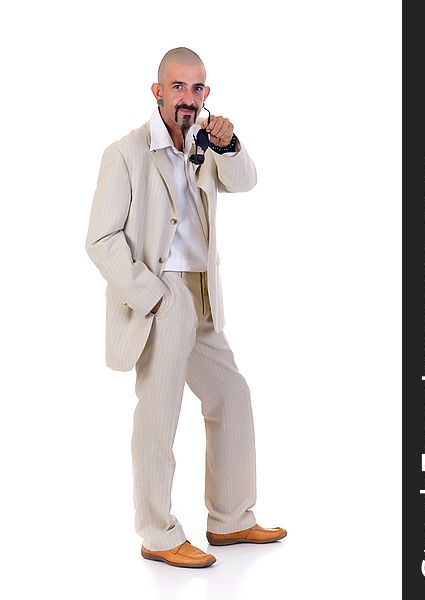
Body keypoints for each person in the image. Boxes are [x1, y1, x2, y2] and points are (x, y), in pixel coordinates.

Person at [85, 47, 287, 569]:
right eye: (179, 87)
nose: (189, 98)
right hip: (160, 292)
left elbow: (245, 181)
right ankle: (157, 532)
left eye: (198, 89)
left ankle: (231, 519)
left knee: (232, 395)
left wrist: (230, 143)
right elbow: (101, 239)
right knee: (159, 413)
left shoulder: (206, 143)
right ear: (158, 91)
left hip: (201, 293)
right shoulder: (126, 152)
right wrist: (149, 294)